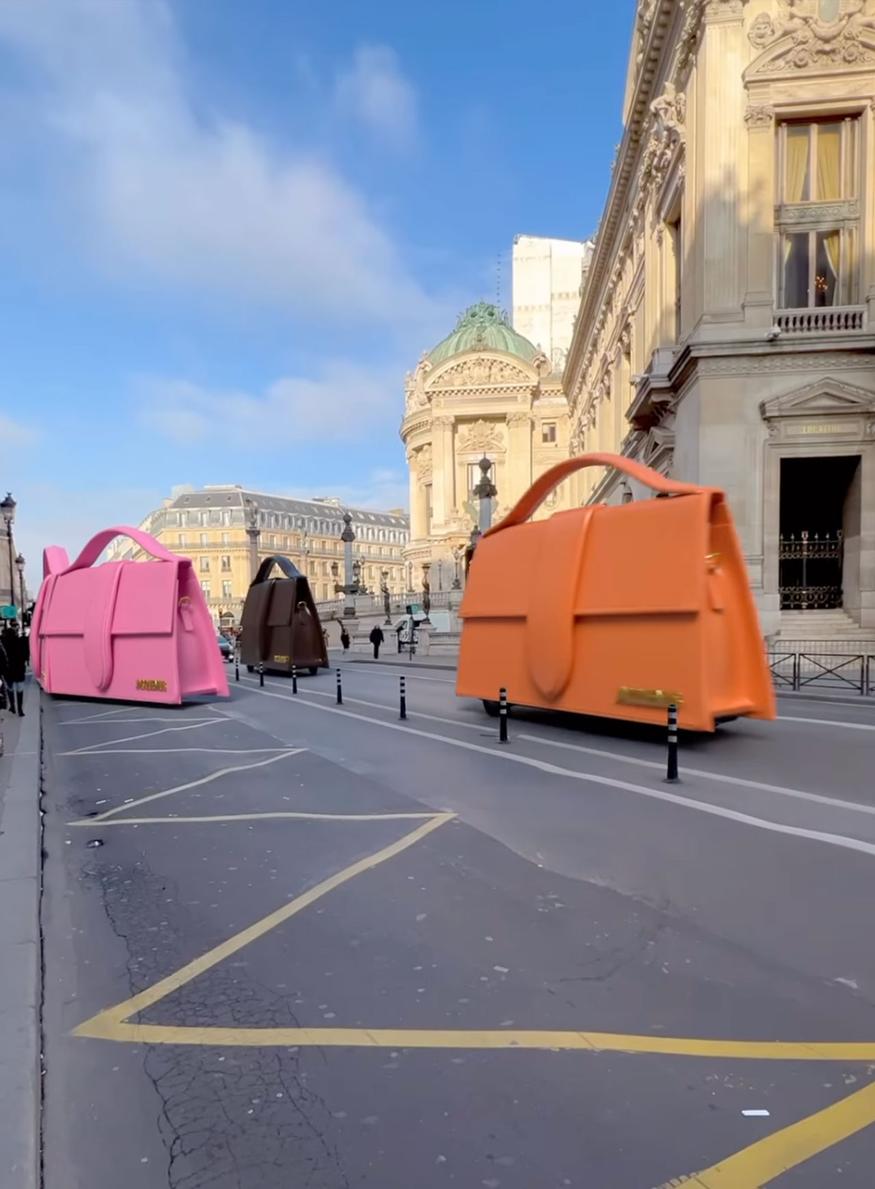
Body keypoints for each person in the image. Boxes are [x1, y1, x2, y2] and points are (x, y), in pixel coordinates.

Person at [1, 624, 28, 717]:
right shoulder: (20, 642)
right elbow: (25, 655)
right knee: (20, 690)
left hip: (8, 671)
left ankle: (12, 707)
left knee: (10, 689)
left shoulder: (3, 644)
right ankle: (20, 710)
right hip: (19, 670)